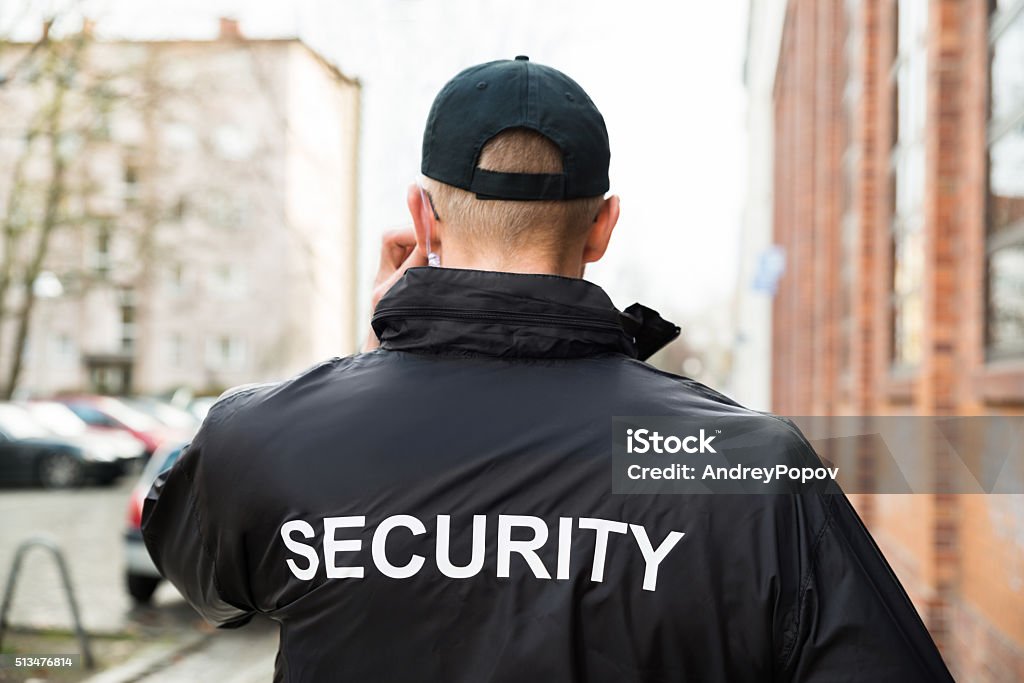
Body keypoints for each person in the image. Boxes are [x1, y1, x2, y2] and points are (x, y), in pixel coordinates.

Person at [142, 56, 954, 682]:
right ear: (603, 226)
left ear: (422, 215)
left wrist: (379, 356)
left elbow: (201, 579)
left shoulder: (266, 435)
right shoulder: (749, 464)